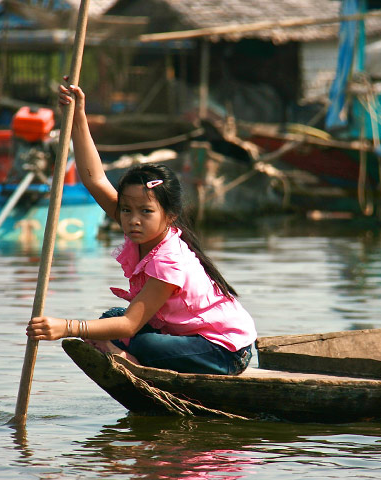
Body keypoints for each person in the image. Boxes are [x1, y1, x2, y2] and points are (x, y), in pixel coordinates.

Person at [26, 82, 257, 375]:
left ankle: (132, 363)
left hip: (224, 351)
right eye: (126, 210)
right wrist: (78, 117)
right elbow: (95, 180)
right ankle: (127, 356)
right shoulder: (139, 228)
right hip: (183, 335)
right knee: (110, 317)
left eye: (146, 212)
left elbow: (132, 325)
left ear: (169, 216)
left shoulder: (168, 260)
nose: (133, 220)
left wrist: (67, 327)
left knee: (139, 340)